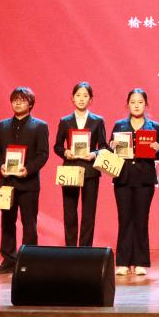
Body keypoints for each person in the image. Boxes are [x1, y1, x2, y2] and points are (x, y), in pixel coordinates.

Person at [0, 87, 50, 275]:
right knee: (7, 222)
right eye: (15, 99)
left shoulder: (40, 126)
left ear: (30, 104)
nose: (18, 102)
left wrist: (28, 170)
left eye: (22, 100)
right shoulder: (2, 125)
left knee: (29, 223)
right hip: (6, 182)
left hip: (28, 183)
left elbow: (43, 154)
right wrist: (0, 165)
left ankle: (29, 261)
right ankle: (8, 260)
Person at [110, 88, 159, 276]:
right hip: (123, 178)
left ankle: (140, 262)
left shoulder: (153, 126)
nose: (136, 105)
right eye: (133, 102)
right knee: (124, 219)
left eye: (140, 102)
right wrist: (112, 145)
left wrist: (157, 149)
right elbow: (109, 148)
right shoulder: (119, 125)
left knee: (141, 219)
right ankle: (123, 262)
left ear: (146, 105)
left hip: (144, 179)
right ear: (128, 104)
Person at [52, 82, 107, 248]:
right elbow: (57, 146)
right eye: (78, 95)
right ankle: (70, 249)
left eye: (85, 96)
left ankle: (85, 249)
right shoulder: (65, 121)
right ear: (72, 98)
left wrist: (94, 154)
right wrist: (65, 152)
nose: (81, 99)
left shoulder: (98, 121)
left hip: (91, 171)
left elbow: (104, 146)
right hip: (70, 169)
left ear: (91, 99)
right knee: (69, 212)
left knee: (88, 213)